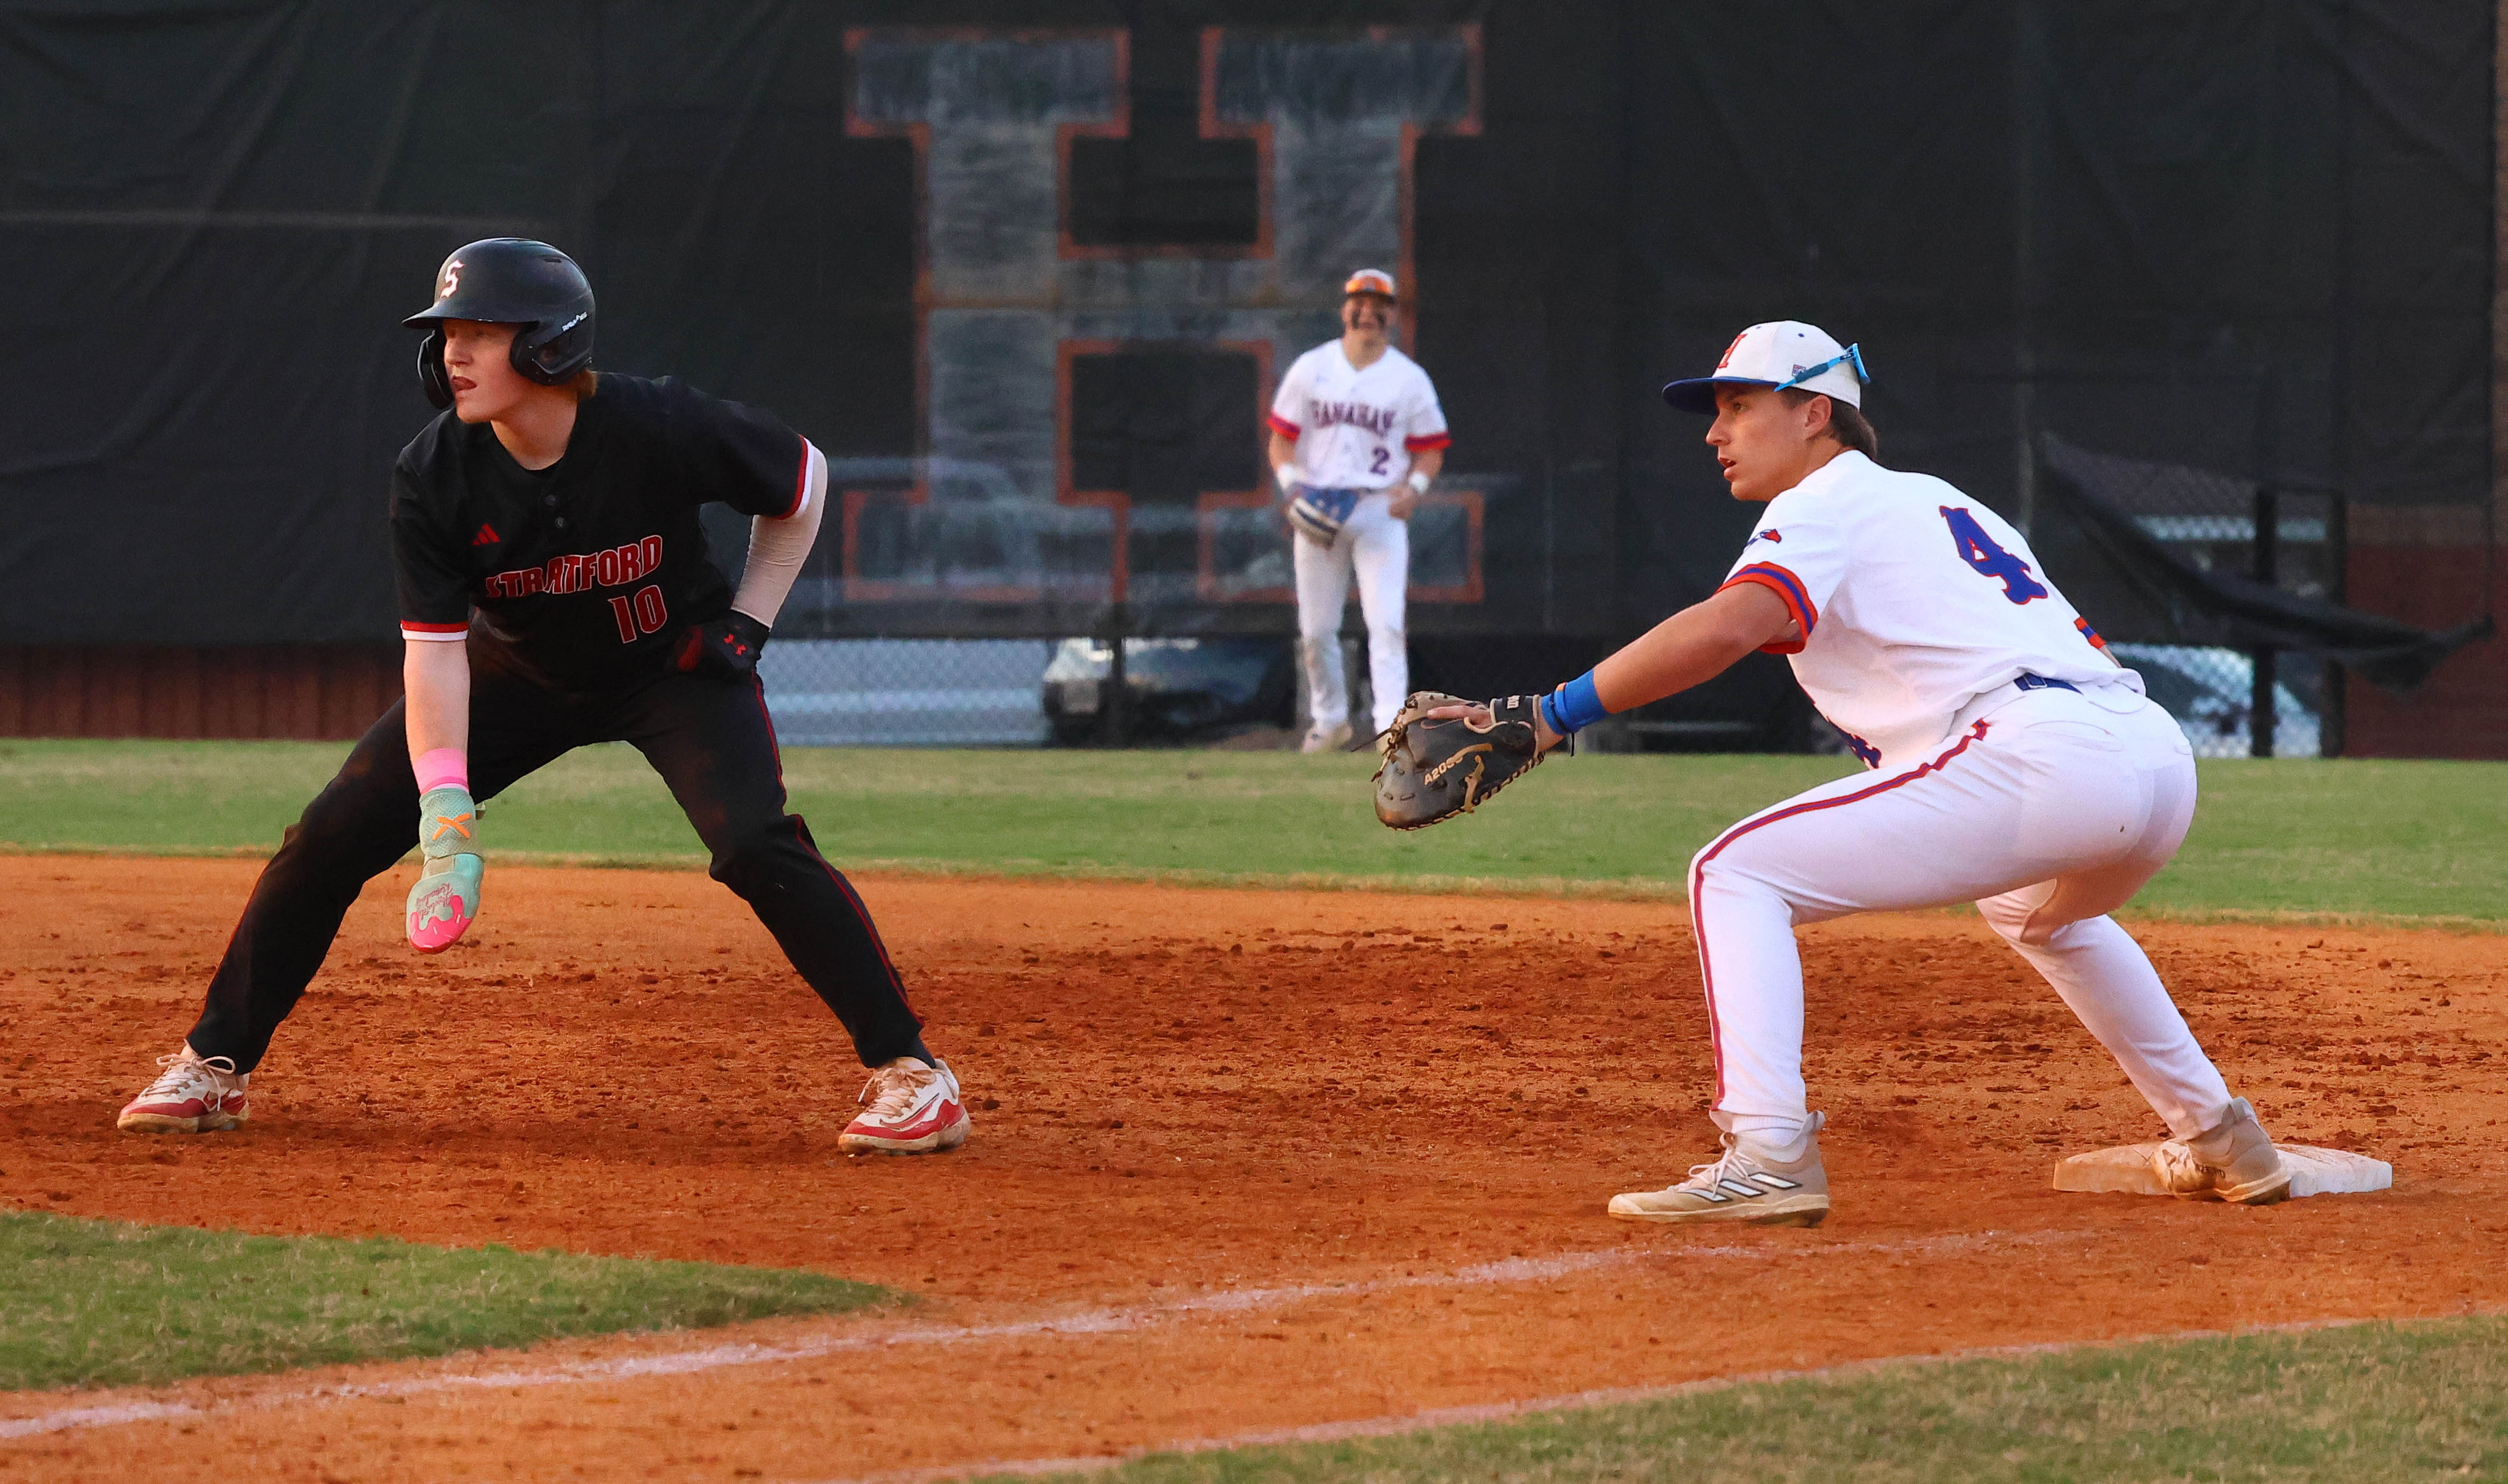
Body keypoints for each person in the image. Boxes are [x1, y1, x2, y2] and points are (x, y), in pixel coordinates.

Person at [115, 239, 969, 1156]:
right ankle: (215, 1062)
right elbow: (435, 657)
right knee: (326, 837)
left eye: (481, 331)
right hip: (515, 674)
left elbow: (801, 482)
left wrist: (748, 620)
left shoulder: (657, 423)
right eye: (448, 332)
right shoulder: (433, 474)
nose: (454, 352)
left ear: (551, 346)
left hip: (668, 668)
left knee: (755, 840)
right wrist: (444, 809)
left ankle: (913, 1074)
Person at [1483, 320, 2289, 1223]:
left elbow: (1725, 628)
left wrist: (1550, 715)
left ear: (1815, 413)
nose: (1716, 433)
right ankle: (2221, 1135)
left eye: (1740, 407)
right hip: (2152, 756)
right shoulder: (1940, 499)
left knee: (1735, 870)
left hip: (2042, 753)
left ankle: (1769, 1150)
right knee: (2033, 911)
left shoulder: (1822, 502)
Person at [1267, 269, 1451, 752]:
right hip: (1321, 506)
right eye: (1359, 302)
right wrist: (1292, 488)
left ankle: (1391, 728)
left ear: (1392, 313)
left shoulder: (1407, 378)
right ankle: (1329, 721)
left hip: (1378, 509)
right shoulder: (1312, 368)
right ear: (1344, 309)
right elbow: (1281, 441)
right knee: (1316, 630)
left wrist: (1413, 488)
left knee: (1386, 623)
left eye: (1379, 304)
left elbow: (1431, 448)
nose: (1368, 311)